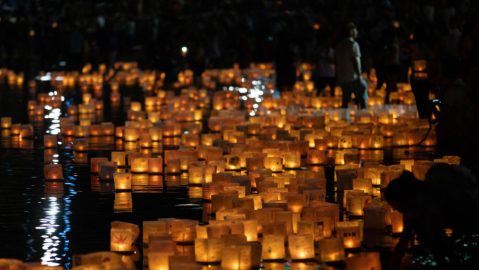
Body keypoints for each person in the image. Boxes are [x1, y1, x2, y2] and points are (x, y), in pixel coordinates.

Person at [384, 164, 479, 269]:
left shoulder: (429, 204)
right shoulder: (413, 211)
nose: (396, 210)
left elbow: (438, 237)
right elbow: (403, 243)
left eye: (395, 206)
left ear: (403, 200)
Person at [335, 22, 367, 108]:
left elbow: (337, 62)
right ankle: (364, 117)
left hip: (343, 78)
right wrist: (359, 75)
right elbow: (355, 61)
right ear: (351, 31)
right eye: (356, 30)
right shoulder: (353, 44)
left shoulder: (339, 46)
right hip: (353, 77)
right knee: (362, 98)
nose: (357, 32)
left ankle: (344, 117)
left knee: (345, 100)